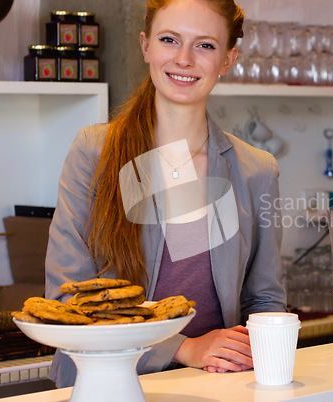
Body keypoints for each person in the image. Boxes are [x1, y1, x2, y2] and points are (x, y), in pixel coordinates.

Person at [45, 0, 286, 388]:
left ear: (228, 58)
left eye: (205, 45)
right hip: (102, 385)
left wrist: (256, 357)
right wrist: (184, 348)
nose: (184, 59)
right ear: (146, 47)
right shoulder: (94, 151)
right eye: (169, 39)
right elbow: (67, 302)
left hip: (215, 386)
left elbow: (264, 302)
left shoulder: (256, 169)